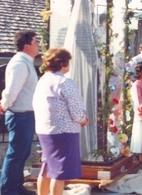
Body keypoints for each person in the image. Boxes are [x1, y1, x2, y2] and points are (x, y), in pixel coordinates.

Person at [33, 48, 89, 195]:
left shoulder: (43, 80)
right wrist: (83, 119)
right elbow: (76, 110)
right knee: (59, 172)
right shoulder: (64, 82)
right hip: (63, 132)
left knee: (46, 167)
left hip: (44, 130)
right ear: (63, 63)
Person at [0, 30, 39, 195]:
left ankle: (16, 187)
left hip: (25, 114)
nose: (39, 45)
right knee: (16, 154)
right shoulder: (20, 64)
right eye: (36, 42)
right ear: (27, 45)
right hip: (19, 114)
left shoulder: (26, 62)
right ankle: (8, 190)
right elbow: (11, 91)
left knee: (22, 153)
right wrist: (5, 104)